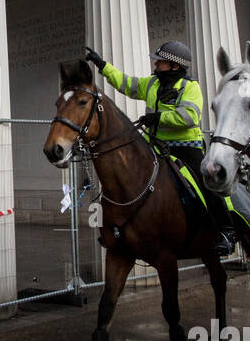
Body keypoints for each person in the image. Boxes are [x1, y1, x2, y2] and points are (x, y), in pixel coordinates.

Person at [84, 40, 236, 256]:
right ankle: (120, 229)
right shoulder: (152, 83)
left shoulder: (190, 87)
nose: (156, 65)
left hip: (185, 148)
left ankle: (226, 232)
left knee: (205, 184)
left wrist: (158, 117)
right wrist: (102, 65)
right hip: (156, 146)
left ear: (174, 66)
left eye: (161, 62)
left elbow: (189, 117)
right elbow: (126, 84)